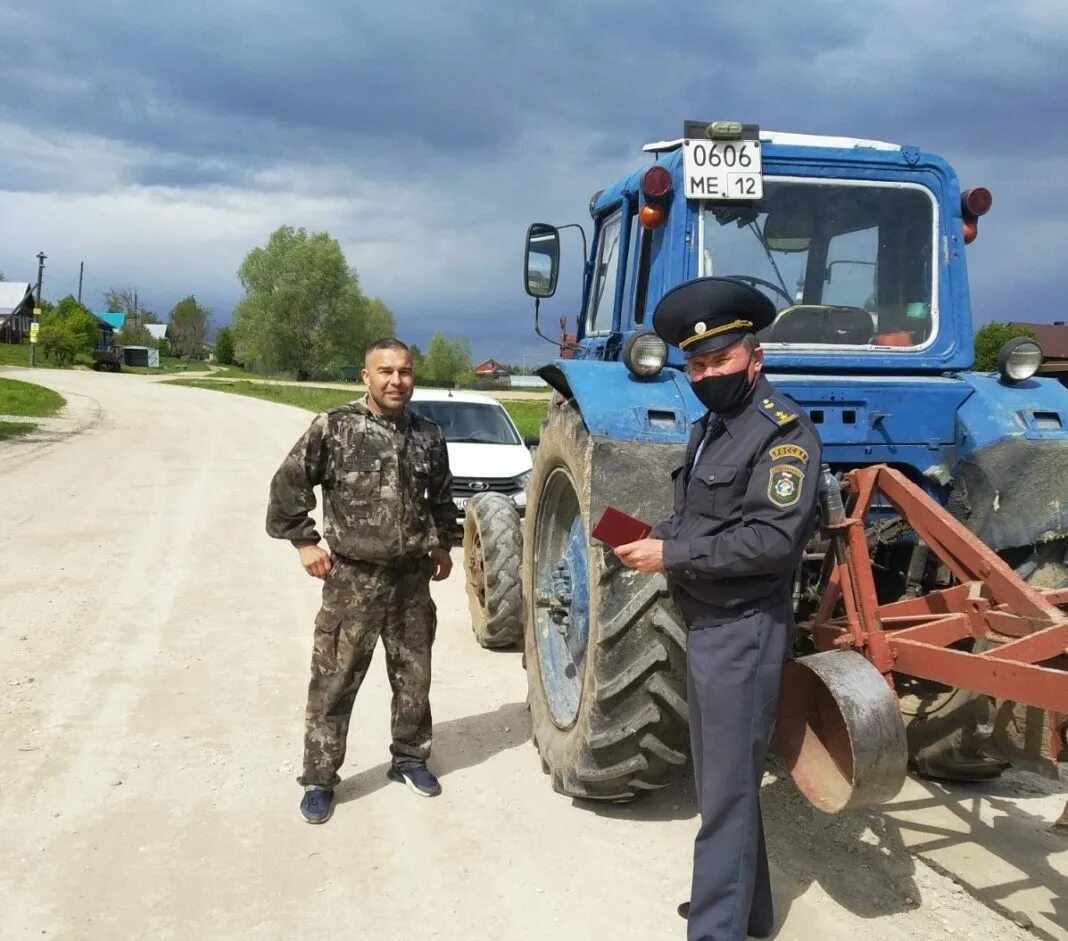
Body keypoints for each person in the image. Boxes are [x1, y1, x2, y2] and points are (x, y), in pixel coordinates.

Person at [614, 278, 822, 941]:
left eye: (720, 361)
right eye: (696, 365)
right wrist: (645, 535)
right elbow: (700, 520)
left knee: (728, 795)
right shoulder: (711, 429)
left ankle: (714, 929)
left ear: (753, 359)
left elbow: (769, 539)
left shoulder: (783, 435)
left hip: (743, 629)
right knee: (721, 785)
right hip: (705, 622)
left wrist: (668, 555)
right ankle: (745, 910)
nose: (706, 374)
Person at [266, 338, 461, 824]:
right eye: (386, 372)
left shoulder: (429, 435)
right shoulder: (334, 428)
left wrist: (442, 543)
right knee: (333, 682)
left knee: (414, 678)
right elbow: (289, 484)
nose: (397, 381)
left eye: (406, 372)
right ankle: (319, 778)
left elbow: (441, 497)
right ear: (365, 376)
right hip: (353, 579)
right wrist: (304, 542)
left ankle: (410, 759)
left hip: (412, 581)